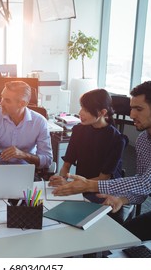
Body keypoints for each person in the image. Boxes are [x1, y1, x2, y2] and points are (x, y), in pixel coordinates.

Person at [51, 81, 151, 250]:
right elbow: (142, 187)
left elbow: (148, 183)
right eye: (131, 108)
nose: (131, 114)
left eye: (138, 109)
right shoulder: (143, 140)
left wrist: (90, 185)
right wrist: (122, 199)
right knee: (118, 242)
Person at [49, 89, 130, 223]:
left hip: (103, 190)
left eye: (86, 110)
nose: (80, 113)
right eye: (81, 107)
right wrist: (61, 178)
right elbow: (67, 164)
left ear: (103, 112)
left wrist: (73, 185)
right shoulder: (79, 130)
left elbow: (103, 179)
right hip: (82, 187)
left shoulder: (117, 140)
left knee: (76, 218)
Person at [0, 81, 53, 169]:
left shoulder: (39, 122)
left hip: (25, 169)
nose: (1, 103)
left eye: (7, 100)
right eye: (2, 98)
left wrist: (24, 155)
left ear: (23, 104)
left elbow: (47, 160)